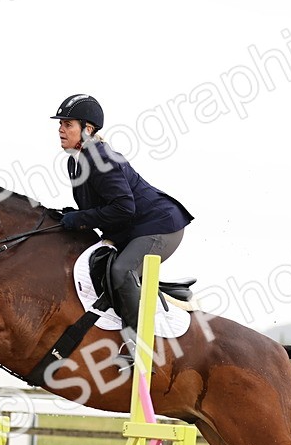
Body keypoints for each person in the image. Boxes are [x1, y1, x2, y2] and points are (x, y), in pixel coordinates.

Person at [51, 94, 193, 368]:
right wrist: (75, 217)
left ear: (87, 129)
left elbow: (124, 208)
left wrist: (79, 219)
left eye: (67, 124)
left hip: (160, 226)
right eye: (60, 124)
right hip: (133, 228)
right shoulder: (75, 160)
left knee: (119, 271)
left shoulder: (101, 158)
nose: (60, 129)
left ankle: (143, 348)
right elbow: (100, 206)